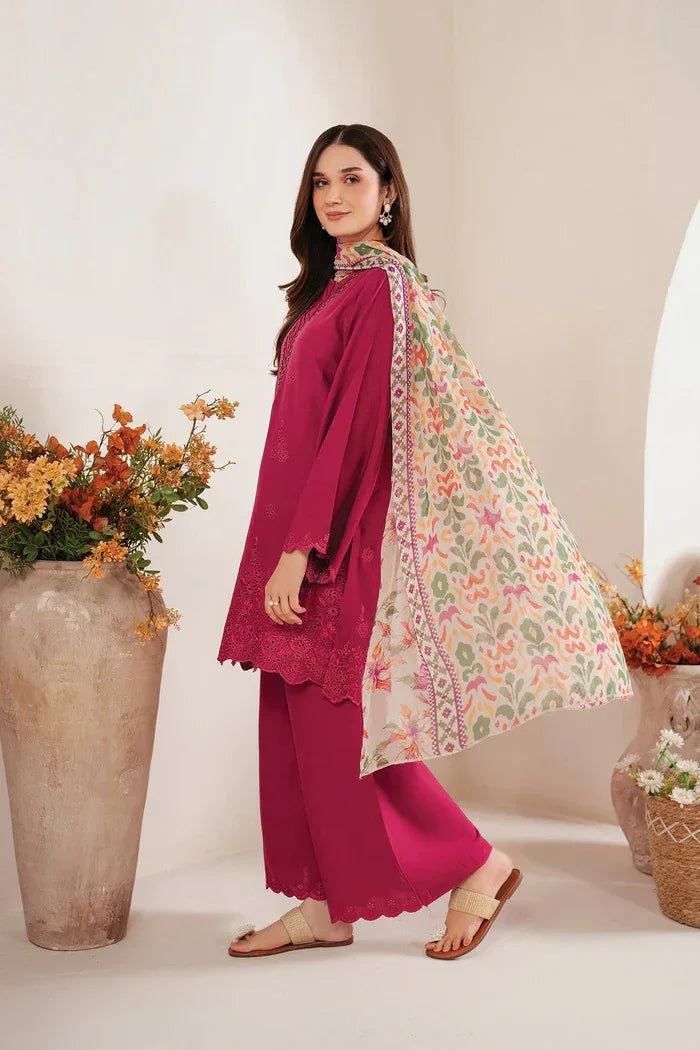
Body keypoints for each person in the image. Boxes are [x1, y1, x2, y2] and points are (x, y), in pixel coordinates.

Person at [217, 124, 632, 960]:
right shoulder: (331, 291)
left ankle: (479, 864)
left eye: (352, 179)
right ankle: (327, 906)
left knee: (344, 731)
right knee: (300, 724)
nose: (332, 195)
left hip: (336, 543)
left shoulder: (380, 288)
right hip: (296, 533)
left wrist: (303, 548)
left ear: (389, 193)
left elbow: (356, 431)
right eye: (319, 181)